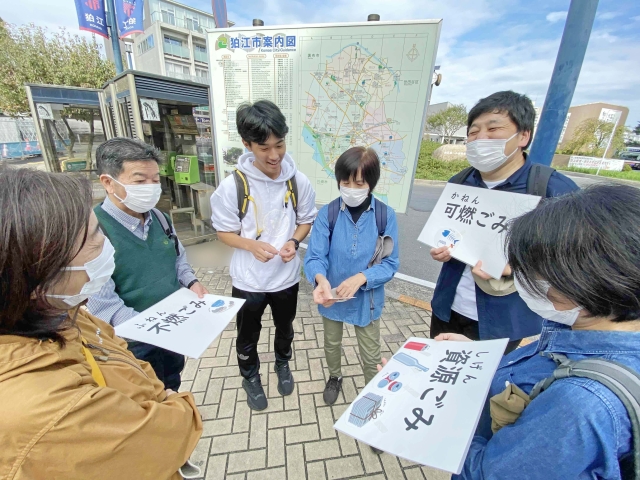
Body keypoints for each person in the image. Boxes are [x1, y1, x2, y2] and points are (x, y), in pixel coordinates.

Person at [0, 167, 202, 479]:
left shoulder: (67, 315)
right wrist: (172, 404)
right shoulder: (52, 410)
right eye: (95, 236)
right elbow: (171, 434)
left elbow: (120, 354)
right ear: (38, 271)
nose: (106, 246)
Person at [429, 185, 640, 479]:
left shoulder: (580, 404)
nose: (525, 278)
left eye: (536, 270)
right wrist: (477, 358)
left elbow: (490, 473)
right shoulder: (577, 329)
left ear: (587, 279)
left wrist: (435, 415)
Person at [429, 91, 579, 353]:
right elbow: (449, 233)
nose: (480, 139)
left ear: (523, 136)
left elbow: (579, 262)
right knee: (440, 372)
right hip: (447, 307)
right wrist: (442, 249)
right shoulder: (460, 182)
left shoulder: (553, 190)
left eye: (493, 128)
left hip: (501, 320)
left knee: (485, 386)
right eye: (474, 132)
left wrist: (516, 267)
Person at [210, 100, 317, 411]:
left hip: (285, 277)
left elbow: (305, 220)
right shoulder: (232, 187)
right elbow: (223, 232)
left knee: (286, 328)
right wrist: (251, 245)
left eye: (280, 145)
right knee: (247, 334)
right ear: (247, 145)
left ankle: (282, 363)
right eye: (264, 147)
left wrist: (294, 243)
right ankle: (250, 376)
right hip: (248, 280)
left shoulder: (299, 181)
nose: (274, 155)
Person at [87, 138, 208, 391]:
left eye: (155, 180)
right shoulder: (94, 232)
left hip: (170, 329)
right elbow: (102, 304)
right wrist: (150, 329)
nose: (151, 188)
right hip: (131, 343)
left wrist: (192, 282)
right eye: (140, 181)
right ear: (108, 182)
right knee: (143, 396)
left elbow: (178, 259)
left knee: (172, 381)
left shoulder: (160, 219)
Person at [305, 146, 399, 406]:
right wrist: (321, 280)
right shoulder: (328, 213)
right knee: (332, 343)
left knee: (371, 354)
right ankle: (335, 376)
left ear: (371, 182)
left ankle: (372, 396)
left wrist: (362, 278)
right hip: (331, 297)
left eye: (359, 182)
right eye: (345, 181)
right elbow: (315, 256)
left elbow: (390, 263)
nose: (351, 187)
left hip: (366, 300)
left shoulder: (384, 215)